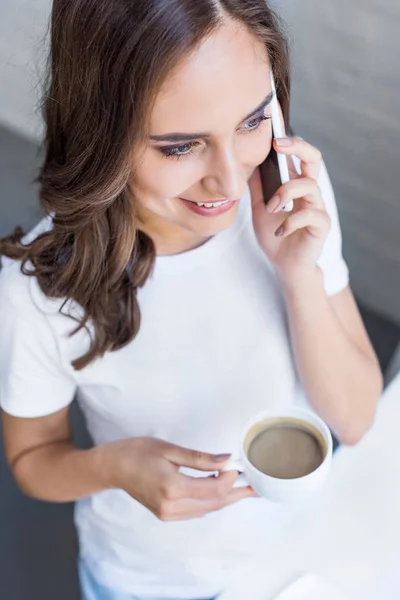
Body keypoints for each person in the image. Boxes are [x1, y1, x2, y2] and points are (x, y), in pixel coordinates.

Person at [0, 1, 383, 599]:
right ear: (101, 130)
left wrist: (298, 274)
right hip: (150, 582)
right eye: (180, 147)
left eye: (253, 120)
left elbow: (355, 421)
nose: (230, 182)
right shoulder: (39, 290)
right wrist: (114, 467)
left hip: (301, 554)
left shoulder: (289, 201)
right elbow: (33, 462)